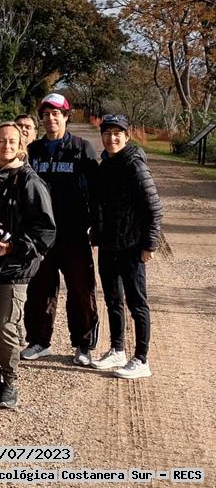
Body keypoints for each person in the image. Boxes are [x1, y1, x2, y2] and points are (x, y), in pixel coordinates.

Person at [0, 122, 56, 408]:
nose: (6, 145)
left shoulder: (29, 181)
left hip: (15, 267)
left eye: (12, 141)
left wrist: (15, 246)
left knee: (7, 326)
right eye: (1, 140)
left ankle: (10, 382)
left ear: (20, 147)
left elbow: (46, 231)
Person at [22, 93, 100, 366]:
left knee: (80, 290)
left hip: (73, 232)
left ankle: (83, 344)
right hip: (41, 234)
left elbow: (96, 191)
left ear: (66, 116)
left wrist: (95, 225)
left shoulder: (81, 148)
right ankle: (39, 341)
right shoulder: (33, 151)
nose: (51, 119)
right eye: (46, 115)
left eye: (56, 114)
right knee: (40, 289)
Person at [90, 114, 162, 379]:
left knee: (137, 302)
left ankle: (142, 359)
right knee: (112, 300)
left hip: (132, 245)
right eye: (107, 133)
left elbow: (154, 207)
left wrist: (149, 244)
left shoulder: (134, 164)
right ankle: (117, 349)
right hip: (109, 245)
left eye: (117, 133)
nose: (112, 138)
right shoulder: (106, 164)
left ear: (127, 136)